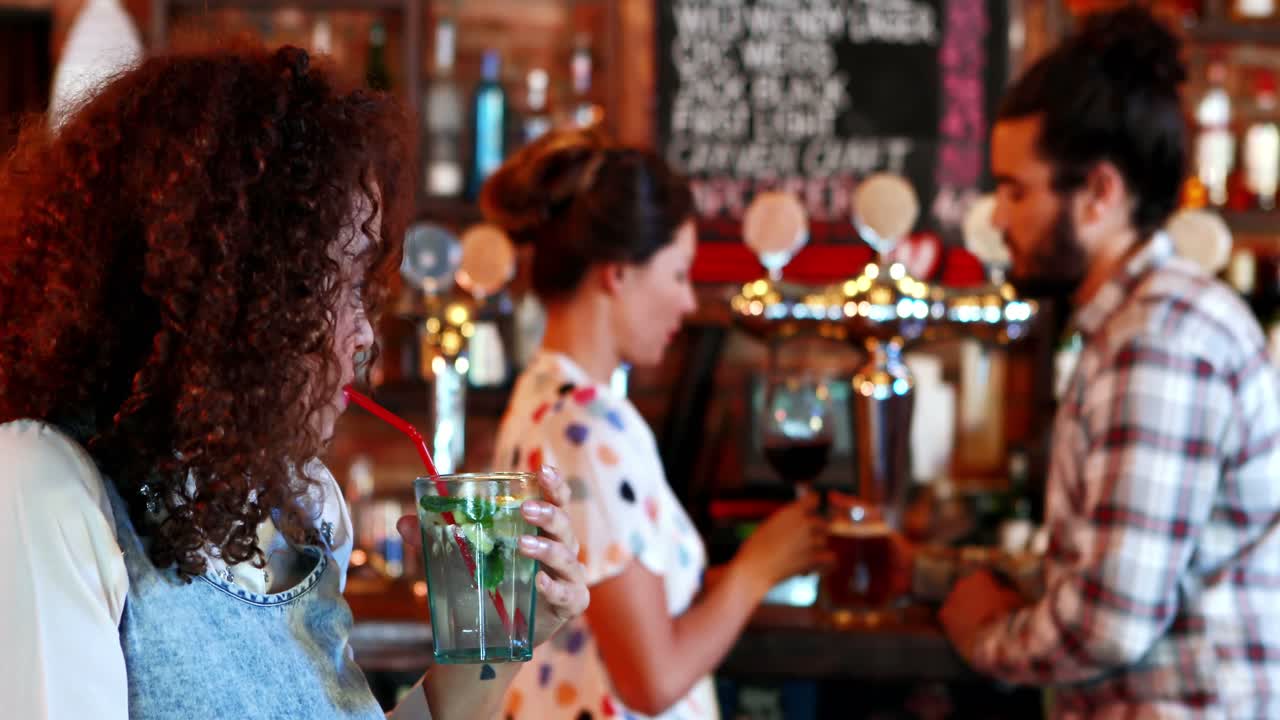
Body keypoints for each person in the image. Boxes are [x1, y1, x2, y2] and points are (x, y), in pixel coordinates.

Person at [0, 44, 589, 720]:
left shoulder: (299, 506)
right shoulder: (43, 489)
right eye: (324, 283)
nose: (363, 331)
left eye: (362, 286)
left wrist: (500, 641)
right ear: (221, 293)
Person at [934, 8, 1280, 717]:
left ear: (1098, 194)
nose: (998, 218)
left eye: (1016, 189)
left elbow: (1111, 623)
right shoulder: (1142, 322)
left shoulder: (1158, 339)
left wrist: (984, 636)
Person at [478, 129, 830, 720]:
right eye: (678, 274)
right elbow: (652, 678)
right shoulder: (587, 425)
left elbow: (616, 606)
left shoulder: (541, 395)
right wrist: (757, 569)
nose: (689, 303)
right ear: (618, 274)